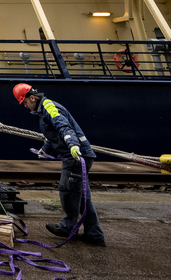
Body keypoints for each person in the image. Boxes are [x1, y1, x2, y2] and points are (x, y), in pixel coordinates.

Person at [13, 83, 106, 246]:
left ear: (32, 98)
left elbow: (64, 127)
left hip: (76, 156)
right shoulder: (43, 111)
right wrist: (45, 149)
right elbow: (53, 134)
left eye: (25, 102)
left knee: (67, 191)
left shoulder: (49, 107)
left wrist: (73, 145)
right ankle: (94, 234)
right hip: (77, 155)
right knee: (83, 198)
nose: (25, 106)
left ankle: (67, 228)